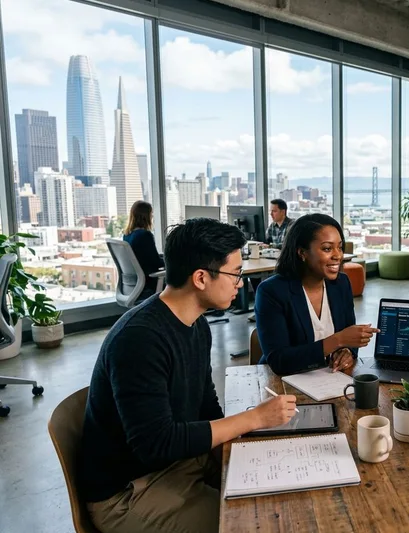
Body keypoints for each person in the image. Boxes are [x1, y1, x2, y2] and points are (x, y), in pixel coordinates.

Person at [79, 218, 298, 533]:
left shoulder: (196, 324)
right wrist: (253, 419)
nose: (240, 282)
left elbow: (204, 402)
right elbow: (155, 444)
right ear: (200, 278)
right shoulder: (140, 339)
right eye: (235, 273)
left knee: (280, 485)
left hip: (179, 462)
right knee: (258, 522)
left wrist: (239, 439)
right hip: (131, 492)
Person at [255, 214, 379, 375]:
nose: (338, 255)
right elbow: (279, 361)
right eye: (327, 248)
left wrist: (347, 351)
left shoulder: (341, 283)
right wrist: (338, 340)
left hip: (330, 378)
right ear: (302, 253)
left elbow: (349, 337)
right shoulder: (271, 291)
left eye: (340, 247)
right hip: (284, 382)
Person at [122, 200, 164, 298]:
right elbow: (156, 263)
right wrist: (173, 261)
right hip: (147, 284)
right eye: (151, 214)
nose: (152, 216)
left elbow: (144, 257)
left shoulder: (127, 235)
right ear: (145, 216)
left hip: (132, 284)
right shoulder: (145, 235)